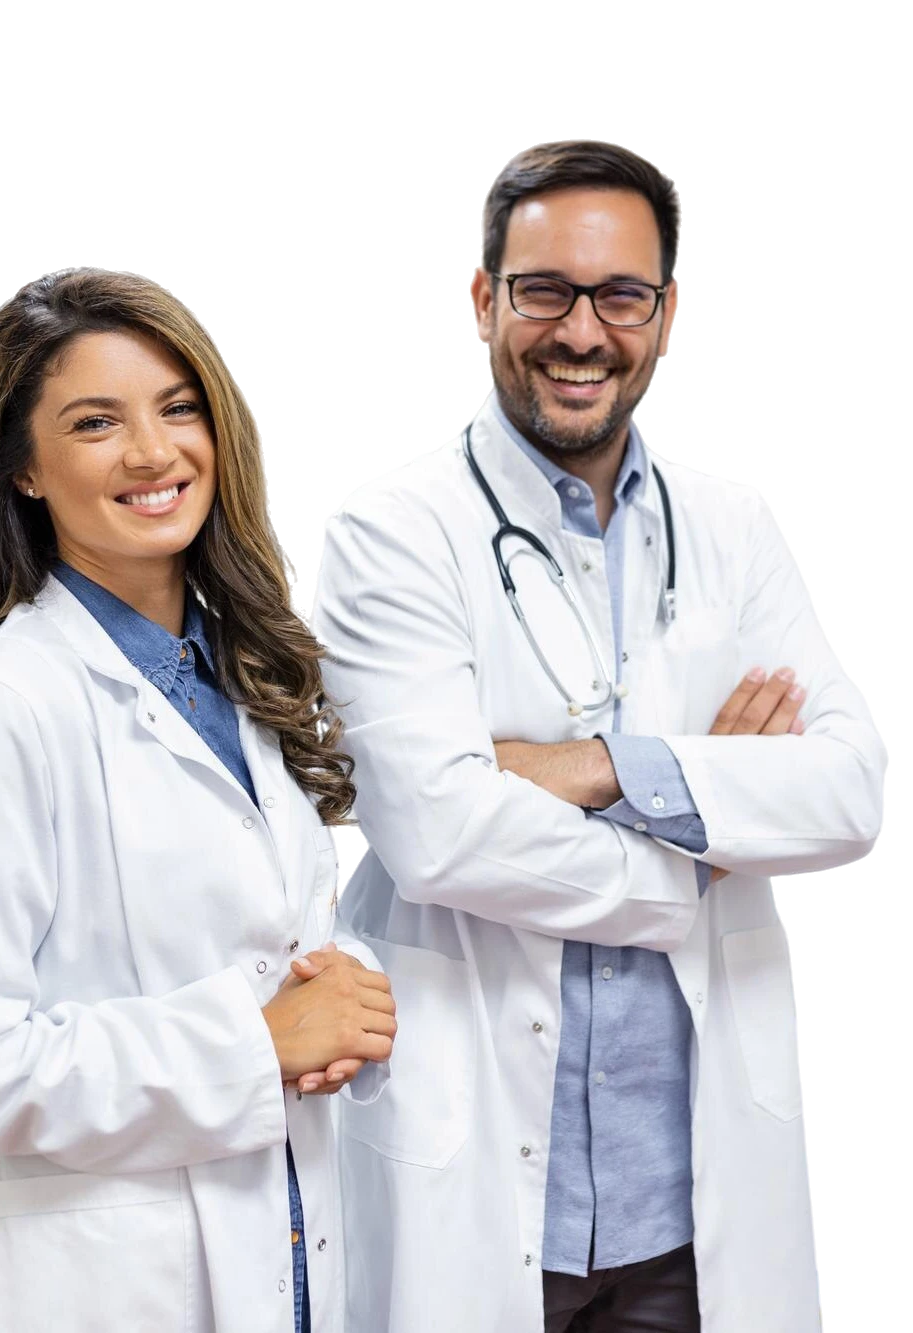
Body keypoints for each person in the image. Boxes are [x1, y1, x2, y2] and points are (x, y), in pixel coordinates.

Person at [313, 141, 884, 1332]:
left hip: (686, 1196)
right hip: (478, 1191)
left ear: (665, 314)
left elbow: (847, 792)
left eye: (620, 296)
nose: (581, 333)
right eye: (543, 292)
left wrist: (595, 767)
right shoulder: (388, 528)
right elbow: (437, 836)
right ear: (482, 299)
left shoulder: (736, 523)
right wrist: (706, 834)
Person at [0, 269, 397, 1333]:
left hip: (282, 1258)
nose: (153, 453)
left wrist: (344, 991)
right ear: (22, 469)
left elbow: (252, 942)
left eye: (175, 408)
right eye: (93, 422)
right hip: (88, 1290)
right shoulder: (2, 710)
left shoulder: (245, 677)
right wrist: (258, 1041)